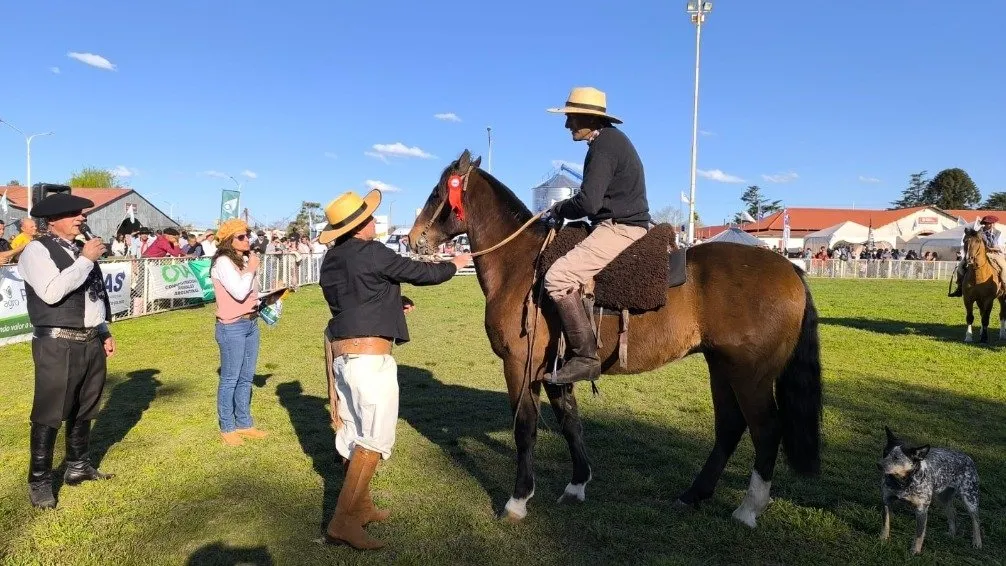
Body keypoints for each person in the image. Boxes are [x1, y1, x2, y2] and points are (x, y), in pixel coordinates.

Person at [318, 189, 470, 549]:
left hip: (344, 355)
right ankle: (342, 522)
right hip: (369, 359)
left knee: (354, 433)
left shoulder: (332, 259)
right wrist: (455, 264)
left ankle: (362, 507)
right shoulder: (373, 252)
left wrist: (391, 303)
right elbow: (419, 273)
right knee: (374, 437)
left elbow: (355, 296)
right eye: (369, 218)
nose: (374, 222)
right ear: (358, 228)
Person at [540, 86, 651, 385]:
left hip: (620, 228)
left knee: (558, 277)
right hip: (617, 223)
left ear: (589, 117)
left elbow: (588, 202)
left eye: (572, 118)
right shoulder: (608, 142)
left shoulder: (604, 146)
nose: (567, 125)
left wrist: (559, 208)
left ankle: (585, 357)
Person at [18, 193, 116, 509]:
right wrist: (86, 259)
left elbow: (92, 296)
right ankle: (40, 480)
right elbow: (51, 293)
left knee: (85, 405)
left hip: (89, 339)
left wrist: (102, 330)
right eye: (75, 213)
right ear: (55, 219)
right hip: (57, 341)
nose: (82, 218)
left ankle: (77, 466)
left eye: (82, 213)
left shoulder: (76, 250)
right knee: (50, 411)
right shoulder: (37, 250)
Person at [209, 218, 268, 446]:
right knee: (230, 379)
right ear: (228, 241)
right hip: (231, 326)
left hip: (251, 323)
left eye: (247, 235)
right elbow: (240, 291)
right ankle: (227, 426)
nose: (247, 240)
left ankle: (244, 423)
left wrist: (272, 296)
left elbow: (251, 294)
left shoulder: (242, 261)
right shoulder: (223, 262)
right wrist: (252, 268)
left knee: (246, 377)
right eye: (241, 237)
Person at [950, 215, 1006, 296]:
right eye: (987, 223)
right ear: (984, 224)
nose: (989, 225)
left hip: (994, 254)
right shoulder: (978, 233)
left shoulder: (998, 233)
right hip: (979, 254)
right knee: (960, 266)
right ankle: (959, 287)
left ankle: (1004, 287)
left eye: (991, 223)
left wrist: (994, 248)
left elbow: (1001, 246)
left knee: (1004, 267)